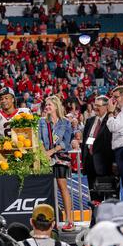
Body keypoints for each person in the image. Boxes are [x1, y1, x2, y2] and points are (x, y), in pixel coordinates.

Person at [39, 96, 74, 231]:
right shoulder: (42, 121)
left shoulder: (65, 122)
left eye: (49, 105)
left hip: (60, 157)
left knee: (62, 185)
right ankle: (47, 221)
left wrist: (52, 151)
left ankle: (69, 220)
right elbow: (40, 140)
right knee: (47, 187)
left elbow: (66, 142)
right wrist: (44, 154)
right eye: (46, 105)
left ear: (56, 106)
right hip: (45, 158)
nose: (47, 107)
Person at [81, 96, 115, 201]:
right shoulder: (90, 121)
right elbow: (86, 141)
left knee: (108, 197)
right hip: (90, 165)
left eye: (98, 106)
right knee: (94, 198)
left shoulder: (111, 121)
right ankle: (95, 217)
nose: (95, 108)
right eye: (95, 105)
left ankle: (108, 217)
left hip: (105, 166)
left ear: (106, 107)